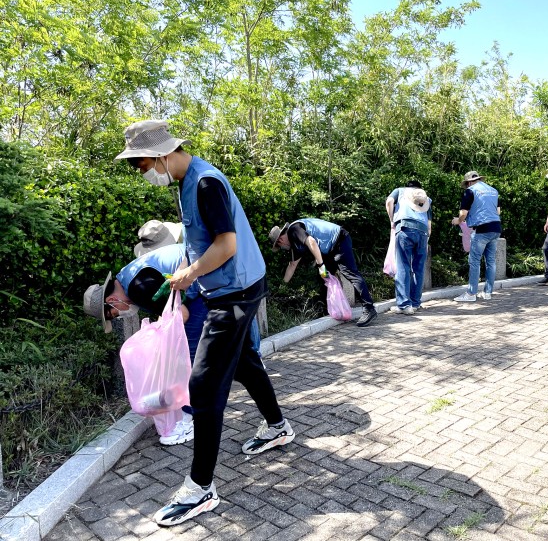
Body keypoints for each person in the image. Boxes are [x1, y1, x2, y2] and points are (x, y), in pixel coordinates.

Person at [113, 120, 293, 526]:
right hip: (236, 286)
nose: (143, 174)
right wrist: (186, 267)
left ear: (160, 155)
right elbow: (202, 240)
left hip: (235, 290)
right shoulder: (186, 181)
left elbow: (226, 246)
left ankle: (200, 489)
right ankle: (277, 427)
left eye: (142, 166)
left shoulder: (205, 183)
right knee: (245, 361)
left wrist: (190, 274)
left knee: (204, 385)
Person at [83, 243, 202, 446]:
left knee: (189, 355)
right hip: (198, 271)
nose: (119, 316)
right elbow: (168, 309)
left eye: (113, 313)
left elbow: (181, 314)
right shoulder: (127, 278)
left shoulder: (138, 287)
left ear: (111, 299)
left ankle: (189, 418)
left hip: (201, 277)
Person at [269, 218, 378, 327]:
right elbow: (292, 265)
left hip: (339, 240)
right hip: (330, 248)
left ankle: (369, 309)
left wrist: (321, 265)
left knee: (350, 274)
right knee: (324, 277)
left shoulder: (293, 230)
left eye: (280, 247)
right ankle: (328, 310)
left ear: (280, 241)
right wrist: (282, 287)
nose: (283, 249)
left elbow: (311, 242)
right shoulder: (295, 242)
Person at [450, 171, 501, 302]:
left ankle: (471, 294)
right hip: (496, 227)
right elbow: (498, 211)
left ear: (468, 182)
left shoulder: (470, 191)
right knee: (490, 261)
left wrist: (458, 221)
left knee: (474, 261)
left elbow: (463, 213)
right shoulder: (493, 191)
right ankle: (487, 292)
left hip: (482, 229)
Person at [385, 181, 432, 314]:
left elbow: (389, 202)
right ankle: (415, 303)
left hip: (405, 229)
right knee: (419, 268)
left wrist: (392, 221)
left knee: (403, 266)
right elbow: (429, 226)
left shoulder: (399, 191)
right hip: (423, 233)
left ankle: (404, 305)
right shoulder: (425, 198)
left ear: (407, 187)